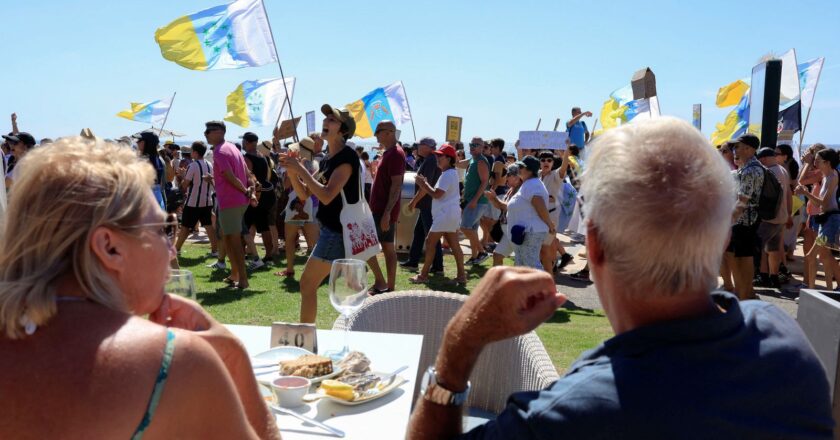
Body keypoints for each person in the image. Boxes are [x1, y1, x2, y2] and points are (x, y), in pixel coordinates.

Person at [407, 118, 833, 439]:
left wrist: (457, 349)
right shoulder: (785, 339)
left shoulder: (565, 418)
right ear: (721, 236)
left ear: (594, 245)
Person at [0, 137, 279, 439]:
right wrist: (235, 359)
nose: (172, 251)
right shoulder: (176, 360)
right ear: (110, 247)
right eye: (162, 231)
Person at [280, 104, 359, 323]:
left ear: (344, 130)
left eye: (332, 120)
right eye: (326, 119)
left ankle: (306, 336)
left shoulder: (346, 158)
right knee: (352, 289)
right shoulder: (327, 159)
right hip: (332, 231)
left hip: (336, 232)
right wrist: (292, 171)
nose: (326, 122)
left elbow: (326, 196)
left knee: (308, 284)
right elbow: (304, 195)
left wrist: (300, 169)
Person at [205, 121, 256, 290]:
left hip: (231, 200)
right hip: (236, 201)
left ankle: (243, 279)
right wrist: (250, 190)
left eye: (209, 131)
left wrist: (246, 190)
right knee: (227, 238)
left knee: (234, 241)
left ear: (220, 132)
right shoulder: (233, 148)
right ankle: (235, 274)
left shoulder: (219, 151)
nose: (205, 134)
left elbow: (229, 176)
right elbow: (247, 173)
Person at [409, 144, 466, 285]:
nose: (437, 158)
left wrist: (423, 184)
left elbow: (437, 194)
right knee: (454, 245)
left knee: (430, 242)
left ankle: (423, 275)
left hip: (445, 214)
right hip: (450, 213)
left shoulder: (447, 174)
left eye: (440, 156)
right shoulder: (449, 173)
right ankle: (461, 276)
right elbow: (438, 194)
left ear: (448, 158)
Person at [484, 156, 553, 269]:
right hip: (524, 232)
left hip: (530, 232)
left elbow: (540, 205)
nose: (518, 169)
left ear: (529, 169)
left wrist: (550, 224)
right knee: (522, 265)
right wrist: (494, 199)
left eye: (521, 167)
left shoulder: (532, 184)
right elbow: (512, 206)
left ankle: (542, 286)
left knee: (531, 266)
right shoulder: (528, 184)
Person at [366, 120, 406, 295]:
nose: (376, 135)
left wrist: (387, 213)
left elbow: (397, 185)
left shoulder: (396, 154)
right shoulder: (389, 153)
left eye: (378, 131)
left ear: (389, 132)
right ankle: (388, 286)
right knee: (387, 247)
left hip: (383, 211)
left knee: (366, 247)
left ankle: (382, 283)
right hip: (380, 210)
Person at [725, 133, 764, 300]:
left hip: (746, 222)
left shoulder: (750, 170)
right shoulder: (748, 168)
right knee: (738, 257)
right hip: (743, 221)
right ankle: (745, 293)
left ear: (749, 149)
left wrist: (727, 222)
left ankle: (745, 295)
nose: (734, 150)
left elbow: (742, 201)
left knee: (744, 259)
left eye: (737, 146)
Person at [796, 148, 840, 290]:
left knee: (812, 256)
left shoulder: (833, 177)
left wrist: (805, 193)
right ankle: (826, 290)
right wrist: (806, 194)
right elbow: (818, 204)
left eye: (817, 160)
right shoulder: (826, 176)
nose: (815, 162)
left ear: (827, 162)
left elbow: (823, 202)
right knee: (824, 257)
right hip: (825, 220)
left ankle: (812, 290)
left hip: (831, 220)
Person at [402, 137, 444, 273]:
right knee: (419, 232)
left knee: (432, 237)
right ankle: (413, 261)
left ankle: (438, 266)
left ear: (427, 146)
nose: (417, 147)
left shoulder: (431, 160)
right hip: (427, 205)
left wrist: (413, 201)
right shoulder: (430, 159)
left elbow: (426, 186)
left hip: (428, 205)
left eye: (420, 144)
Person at [755, 148, 791, 289]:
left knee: (761, 248)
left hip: (769, 218)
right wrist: (787, 214)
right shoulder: (782, 170)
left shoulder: (769, 172)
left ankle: (763, 277)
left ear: (763, 158)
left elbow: (765, 197)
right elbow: (788, 194)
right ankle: (774, 277)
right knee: (774, 248)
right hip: (781, 216)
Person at [174, 141, 218, 257]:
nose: (190, 153)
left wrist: (182, 175)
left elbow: (185, 185)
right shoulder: (209, 164)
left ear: (195, 152)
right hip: (207, 201)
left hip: (193, 202)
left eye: (192, 150)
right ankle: (215, 250)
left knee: (185, 227)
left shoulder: (192, 166)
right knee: (208, 226)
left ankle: (176, 249)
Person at [242, 132, 276, 268]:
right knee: (264, 226)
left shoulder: (247, 158)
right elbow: (266, 177)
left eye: (244, 141)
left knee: (244, 226)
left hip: (255, 195)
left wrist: (251, 195)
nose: (243, 144)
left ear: (248, 142)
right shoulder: (263, 156)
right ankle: (268, 256)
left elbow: (249, 177)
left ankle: (241, 254)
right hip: (267, 195)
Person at [458, 138, 490, 265]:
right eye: (471, 144)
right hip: (472, 200)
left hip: (477, 201)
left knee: (464, 227)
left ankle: (482, 252)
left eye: (476, 145)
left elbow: (484, 182)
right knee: (472, 229)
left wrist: (475, 200)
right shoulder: (472, 160)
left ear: (482, 147)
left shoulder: (481, 161)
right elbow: (458, 163)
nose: (472, 147)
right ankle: (475, 256)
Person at [486, 164, 523, 266]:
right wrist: (492, 199)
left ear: (517, 177)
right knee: (497, 255)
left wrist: (494, 198)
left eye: (508, 174)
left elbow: (508, 207)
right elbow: (500, 206)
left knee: (521, 262)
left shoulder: (521, 190)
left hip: (516, 232)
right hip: (508, 232)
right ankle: (499, 281)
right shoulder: (511, 189)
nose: (505, 177)